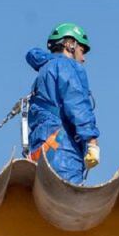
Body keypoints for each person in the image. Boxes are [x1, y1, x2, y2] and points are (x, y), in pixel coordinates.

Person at [25, 22, 100, 183]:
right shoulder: (65, 65)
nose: (84, 58)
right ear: (70, 45)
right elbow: (77, 103)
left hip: (40, 149)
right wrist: (92, 141)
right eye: (82, 50)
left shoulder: (45, 71)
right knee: (68, 201)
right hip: (62, 150)